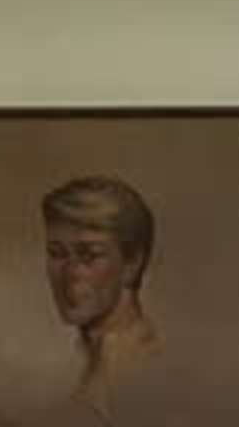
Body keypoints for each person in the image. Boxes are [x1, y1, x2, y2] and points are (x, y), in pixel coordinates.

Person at [40, 175, 164, 414]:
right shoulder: (83, 361)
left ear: (132, 263)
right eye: (57, 254)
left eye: (89, 256)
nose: (70, 272)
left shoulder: (137, 369)